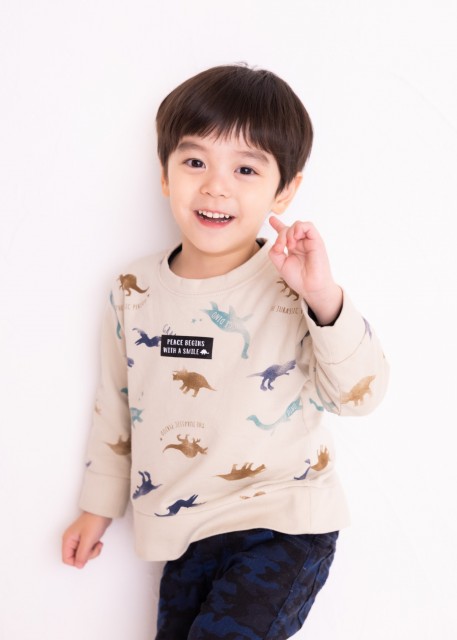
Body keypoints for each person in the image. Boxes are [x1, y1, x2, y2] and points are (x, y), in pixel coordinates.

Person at [62, 64, 389, 639]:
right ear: (164, 173)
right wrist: (98, 505)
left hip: (283, 523)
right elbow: (116, 403)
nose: (216, 186)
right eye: (195, 162)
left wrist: (323, 298)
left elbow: (359, 398)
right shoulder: (132, 291)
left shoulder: (294, 284)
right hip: (183, 531)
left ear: (284, 190)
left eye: (245, 169)